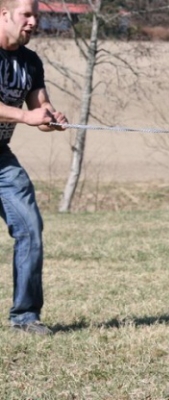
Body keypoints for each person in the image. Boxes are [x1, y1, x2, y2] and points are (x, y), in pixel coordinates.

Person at [0, 0, 68, 335]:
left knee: (29, 227)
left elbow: (39, 106)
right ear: (4, 14)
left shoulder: (30, 62)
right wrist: (26, 117)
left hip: (0, 157)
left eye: (36, 16)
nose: (33, 22)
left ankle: (25, 318)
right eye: (27, 14)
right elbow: (25, 115)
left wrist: (50, 118)